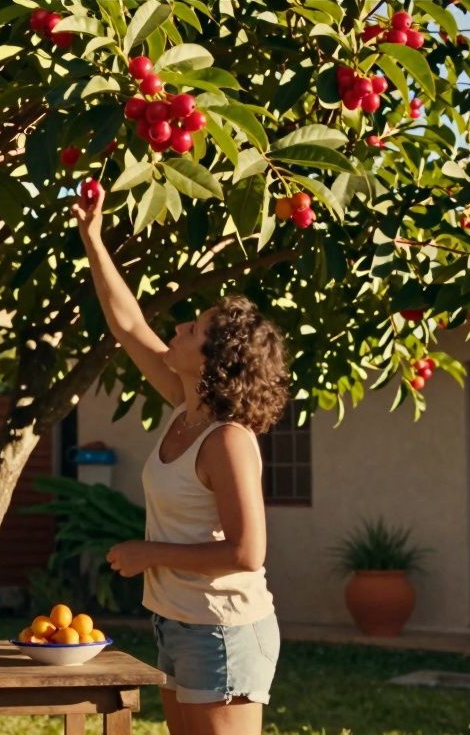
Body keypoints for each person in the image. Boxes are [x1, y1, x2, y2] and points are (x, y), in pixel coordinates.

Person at [72, 188, 291, 735]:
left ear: (215, 362)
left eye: (191, 331)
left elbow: (247, 551)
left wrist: (150, 552)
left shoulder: (228, 441)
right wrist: (93, 240)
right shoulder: (181, 409)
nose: (176, 330)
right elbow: (128, 327)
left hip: (224, 629)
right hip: (177, 623)